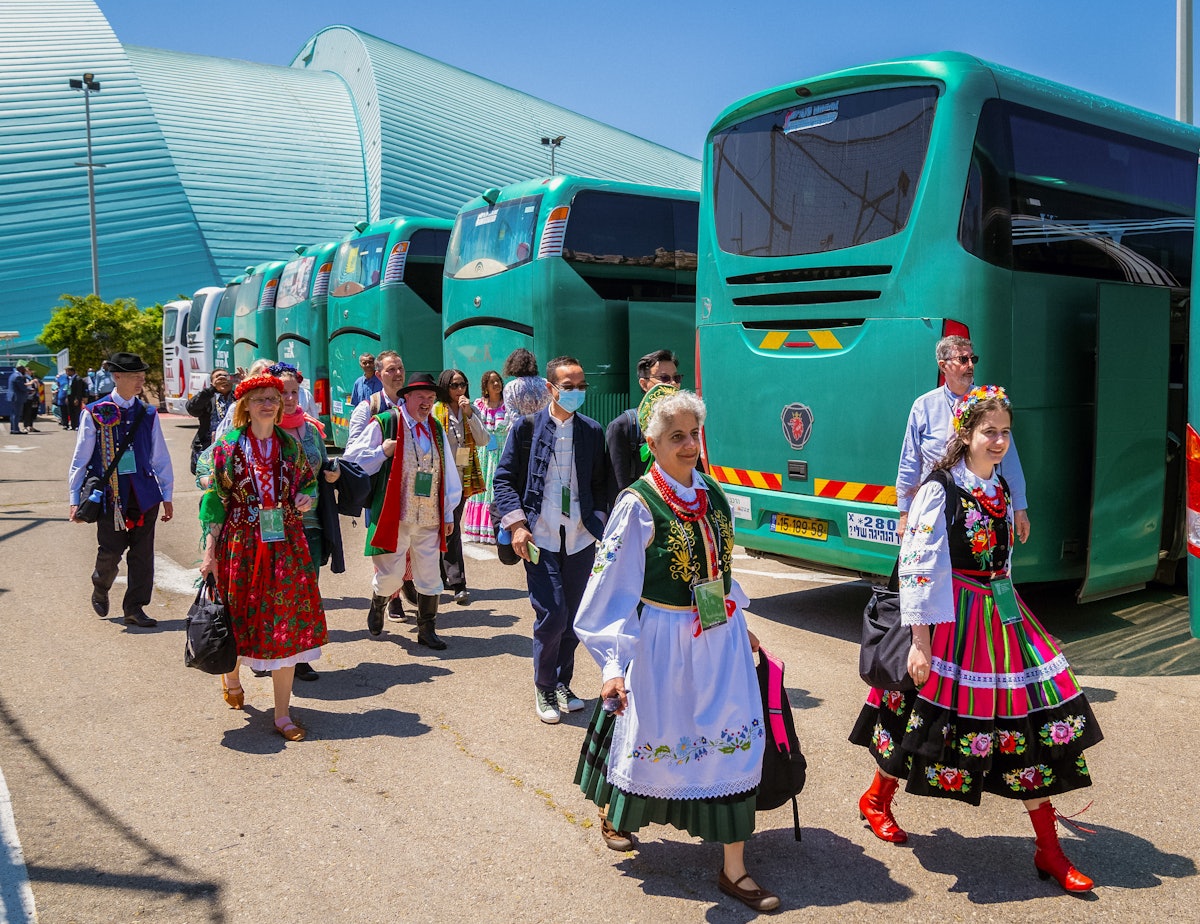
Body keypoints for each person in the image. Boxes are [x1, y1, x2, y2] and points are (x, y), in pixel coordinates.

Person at [849, 385, 1102, 893]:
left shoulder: (1000, 489)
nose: (1000, 441)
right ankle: (877, 798)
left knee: (1027, 724)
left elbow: (1002, 562)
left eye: (1006, 432)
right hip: (948, 618)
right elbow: (918, 570)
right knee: (920, 715)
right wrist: (920, 643)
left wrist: (1016, 614)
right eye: (990, 432)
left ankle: (1048, 849)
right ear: (966, 434)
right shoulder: (939, 489)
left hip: (998, 614)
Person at [573, 385, 779, 913]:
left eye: (693, 434)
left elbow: (722, 568)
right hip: (662, 640)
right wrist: (613, 665)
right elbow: (611, 591)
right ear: (652, 441)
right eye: (676, 437)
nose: (689, 445)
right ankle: (619, 810)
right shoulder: (637, 506)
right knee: (655, 734)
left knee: (731, 737)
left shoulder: (712, 494)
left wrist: (741, 621)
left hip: (719, 638)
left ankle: (735, 868)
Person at [197, 372, 327, 740]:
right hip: (241, 544)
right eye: (260, 399)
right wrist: (210, 555)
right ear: (245, 407)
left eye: (274, 398)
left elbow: (308, 484)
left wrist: (307, 498)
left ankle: (282, 714)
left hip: (286, 545)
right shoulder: (228, 448)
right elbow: (214, 503)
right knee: (238, 619)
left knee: (285, 625)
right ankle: (232, 674)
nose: (270, 404)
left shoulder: (290, 445)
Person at [493, 356, 609, 724]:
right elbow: (504, 480)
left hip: (579, 537)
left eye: (581, 386)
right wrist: (516, 525)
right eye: (568, 386)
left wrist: (599, 524)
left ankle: (562, 682)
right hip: (538, 537)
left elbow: (602, 485)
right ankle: (544, 686)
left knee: (573, 617)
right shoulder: (525, 429)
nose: (576, 392)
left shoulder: (592, 431)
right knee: (552, 613)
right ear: (550, 388)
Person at [343, 372, 462, 649]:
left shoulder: (435, 428)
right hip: (395, 516)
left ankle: (427, 629)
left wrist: (447, 513)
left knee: (430, 575)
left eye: (431, 398)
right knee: (391, 575)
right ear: (406, 397)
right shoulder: (386, 422)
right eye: (421, 396)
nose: (426, 402)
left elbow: (448, 473)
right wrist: (382, 453)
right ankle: (378, 602)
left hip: (430, 517)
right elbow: (353, 460)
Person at [67, 352, 174, 628]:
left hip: (144, 495)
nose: (141, 380)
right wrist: (73, 498)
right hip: (111, 497)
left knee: (142, 556)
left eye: (142, 375)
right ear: (117, 377)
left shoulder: (148, 413)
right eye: (135, 376)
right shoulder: (93, 411)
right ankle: (100, 584)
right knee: (110, 551)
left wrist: (167, 495)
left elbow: (159, 456)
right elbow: (80, 458)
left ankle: (135, 608)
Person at [897, 336, 1030, 544]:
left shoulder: (988, 404)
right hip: (936, 508)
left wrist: (1019, 508)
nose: (970, 366)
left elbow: (1009, 460)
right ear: (943, 366)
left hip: (980, 509)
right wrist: (904, 514)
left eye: (972, 359)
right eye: (963, 359)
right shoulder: (923, 406)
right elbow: (910, 462)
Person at [275, 362, 340, 681]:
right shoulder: (264, 428)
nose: (289, 398)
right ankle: (272, 650)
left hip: (312, 522)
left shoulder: (311, 429)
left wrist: (333, 471)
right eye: (281, 392)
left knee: (307, 589)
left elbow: (323, 463)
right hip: (276, 524)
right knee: (276, 589)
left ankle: (299, 655)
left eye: (293, 392)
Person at [433, 368, 489, 604]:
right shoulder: (436, 410)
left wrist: (469, 414)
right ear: (445, 387)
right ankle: (456, 581)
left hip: (463, 478)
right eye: (454, 385)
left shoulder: (470, 410)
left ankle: (451, 578)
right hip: (441, 479)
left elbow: (484, 440)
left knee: (452, 526)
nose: (459, 390)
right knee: (445, 527)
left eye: (463, 384)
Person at [606, 348, 684, 504]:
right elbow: (619, 487)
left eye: (676, 378)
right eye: (664, 378)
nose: (673, 384)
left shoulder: (686, 422)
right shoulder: (622, 426)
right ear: (644, 384)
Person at [462, 369, 508, 544]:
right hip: (484, 454)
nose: (497, 384)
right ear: (486, 387)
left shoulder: (507, 405)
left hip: (502, 452)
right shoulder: (479, 405)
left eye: (498, 381)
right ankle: (480, 528)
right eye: (492, 382)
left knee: (498, 487)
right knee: (483, 490)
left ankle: (498, 527)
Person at [185, 368, 234, 475]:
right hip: (207, 448)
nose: (222, 379)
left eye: (226, 376)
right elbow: (191, 408)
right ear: (212, 382)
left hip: (232, 449)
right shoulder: (208, 398)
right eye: (218, 377)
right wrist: (212, 390)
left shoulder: (238, 398)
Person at [501, 348, 550, 421]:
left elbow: (513, 416)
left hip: (522, 430)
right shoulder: (546, 383)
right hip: (544, 428)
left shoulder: (511, 387)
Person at [7, 365, 29, 434]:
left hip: (13, 397)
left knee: (13, 414)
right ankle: (16, 430)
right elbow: (22, 387)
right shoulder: (18, 376)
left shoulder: (12, 375)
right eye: (24, 370)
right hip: (17, 397)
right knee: (17, 414)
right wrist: (29, 389)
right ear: (21, 370)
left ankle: (13, 429)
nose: (25, 371)